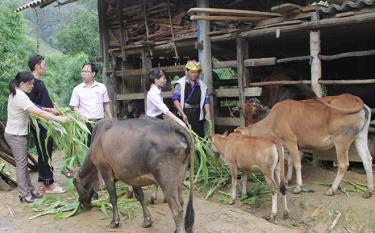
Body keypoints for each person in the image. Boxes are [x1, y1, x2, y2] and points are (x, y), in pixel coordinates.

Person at [4, 71, 70, 203]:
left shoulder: (18, 93)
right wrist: (61, 119)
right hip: (15, 135)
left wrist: (50, 110)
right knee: (22, 165)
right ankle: (24, 193)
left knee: (22, 164)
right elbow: (38, 112)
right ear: (22, 83)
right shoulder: (20, 97)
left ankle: (30, 189)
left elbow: (35, 107)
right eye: (30, 84)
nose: (32, 87)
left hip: (18, 134)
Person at [27, 54, 66, 193]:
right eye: (44, 65)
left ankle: (42, 181)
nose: (45, 67)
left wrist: (54, 107)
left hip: (47, 123)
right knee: (45, 153)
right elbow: (32, 106)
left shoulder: (39, 82)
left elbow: (43, 101)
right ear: (37, 66)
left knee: (44, 152)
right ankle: (49, 184)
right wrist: (51, 110)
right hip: (41, 124)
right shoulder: (31, 83)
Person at [69, 63, 113, 146]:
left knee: (100, 146)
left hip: (100, 122)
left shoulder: (101, 87)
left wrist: (110, 119)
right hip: (85, 124)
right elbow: (74, 106)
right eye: (82, 71)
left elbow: (106, 104)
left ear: (93, 73)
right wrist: (80, 115)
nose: (84, 73)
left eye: (86, 71)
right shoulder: (77, 89)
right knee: (87, 146)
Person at [172, 60, 211, 137]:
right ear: (187, 72)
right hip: (184, 113)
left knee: (198, 136)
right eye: (192, 72)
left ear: (199, 73)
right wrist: (182, 114)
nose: (194, 74)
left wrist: (208, 112)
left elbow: (206, 100)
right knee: (184, 136)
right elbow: (175, 100)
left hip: (197, 113)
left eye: (196, 72)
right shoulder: (180, 84)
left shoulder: (202, 85)